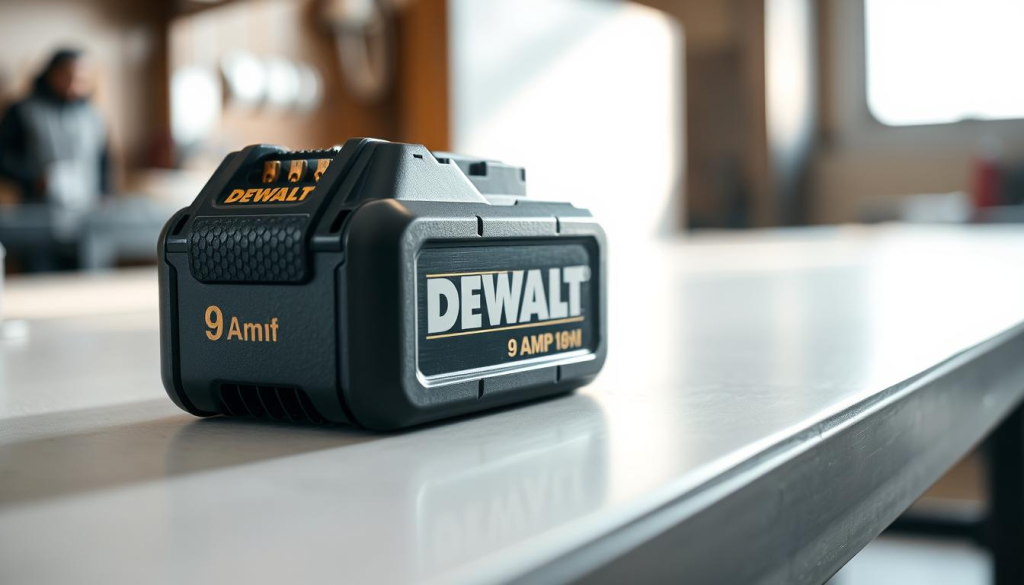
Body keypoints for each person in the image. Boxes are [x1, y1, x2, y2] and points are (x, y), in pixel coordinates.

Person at [0, 48, 111, 209]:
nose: (75, 86)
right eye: (68, 78)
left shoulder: (94, 116)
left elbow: (104, 162)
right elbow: (3, 158)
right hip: (37, 210)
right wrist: (34, 180)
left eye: (82, 80)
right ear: (51, 74)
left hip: (87, 209)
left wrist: (106, 193)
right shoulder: (21, 111)